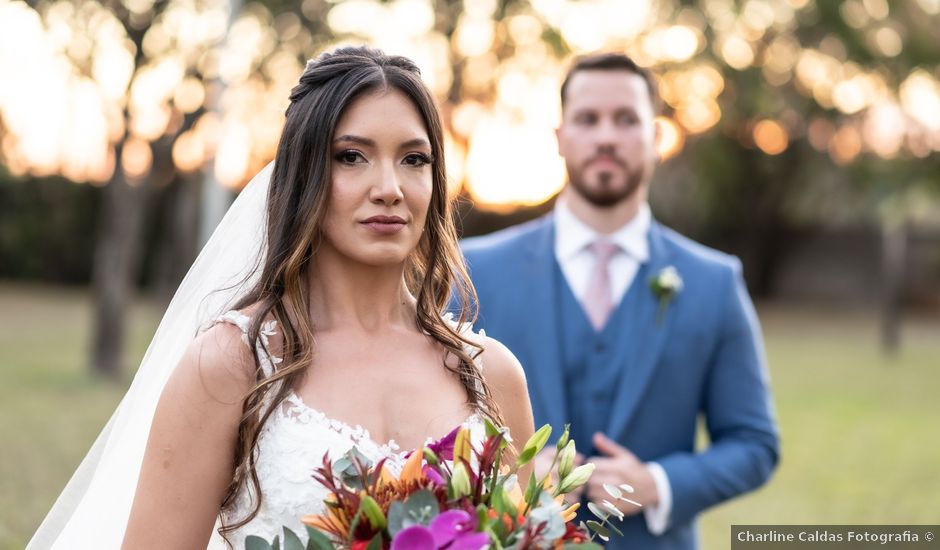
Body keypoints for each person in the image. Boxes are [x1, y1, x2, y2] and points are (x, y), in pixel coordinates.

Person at [28, 47, 534, 550]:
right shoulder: (232, 365)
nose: (389, 187)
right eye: (351, 157)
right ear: (303, 175)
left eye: (413, 159)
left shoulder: (491, 374)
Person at [461, 52, 779, 549]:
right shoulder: (473, 271)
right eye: (587, 119)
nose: (606, 136)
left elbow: (754, 444)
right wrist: (507, 469)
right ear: (560, 139)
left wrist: (659, 482)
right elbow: (426, 422)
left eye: (626, 119)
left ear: (656, 139)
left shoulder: (715, 282)